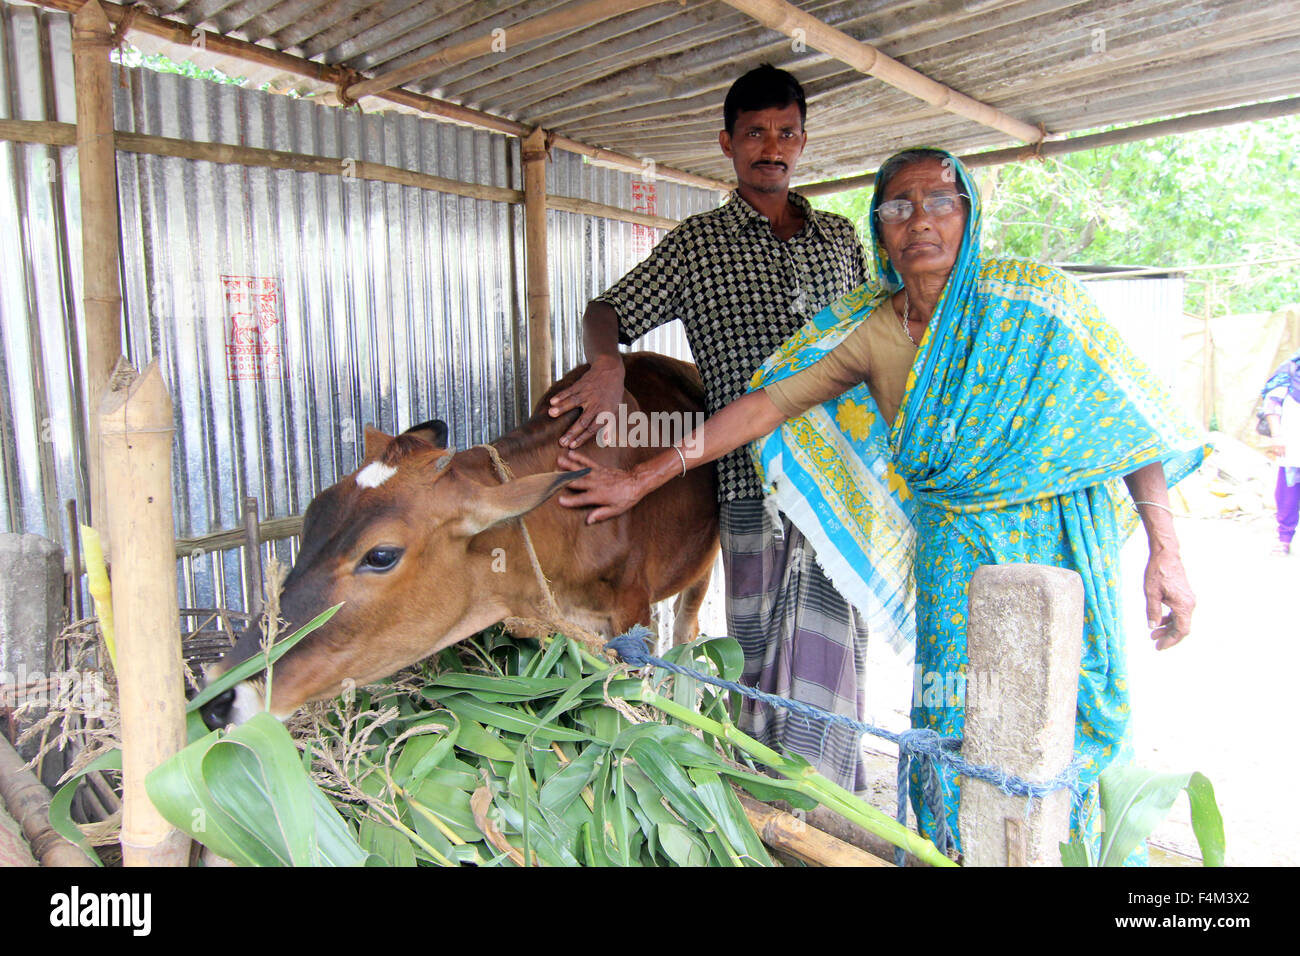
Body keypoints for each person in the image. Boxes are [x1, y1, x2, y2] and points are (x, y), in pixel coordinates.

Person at [555, 147, 1205, 859]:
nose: (918, 221)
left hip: (1054, 549)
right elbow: (761, 408)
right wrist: (641, 477)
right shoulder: (872, 328)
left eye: (939, 202)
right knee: (955, 712)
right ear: (879, 226)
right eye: (898, 206)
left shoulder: (1035, 301)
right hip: (951, 553)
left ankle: (1078, 852)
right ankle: (953, 850)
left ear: (970, 213)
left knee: (1065, 712)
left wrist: (1166, 554)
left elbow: (1125, 424)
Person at [545, 64, 873, 792]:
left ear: (803, 141)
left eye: (786, 132)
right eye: (755, 132)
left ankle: (833, 803)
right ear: (727, 143)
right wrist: (606, 364)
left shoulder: (843, 240)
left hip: (846, 482)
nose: (771, 146)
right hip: (748, 477)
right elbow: (608, 310)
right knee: (757, 653)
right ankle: (766, 800)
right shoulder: (698, 244)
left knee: (837, 648)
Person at [1262, 350, 1300, 554]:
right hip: (1294, 441)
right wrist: (1277, 436)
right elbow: (1272, 403)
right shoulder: (1292, 369)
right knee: (1288, 491)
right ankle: (1284, 538)